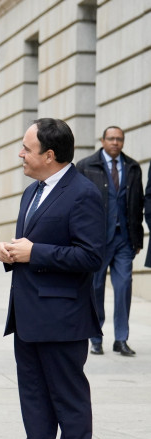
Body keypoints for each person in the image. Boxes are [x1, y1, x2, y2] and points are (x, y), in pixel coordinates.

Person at [0, 118, 104, 439]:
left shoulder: (83, 193)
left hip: (63, 319)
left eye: (26, 147)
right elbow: (32, 245)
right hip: (28, 317)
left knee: (69, 403)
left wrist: (34, 252)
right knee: (34, 401)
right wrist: (11, 253)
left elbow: (91, 255)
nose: (19, 154)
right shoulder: (31, 193)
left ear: (49, 155)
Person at [77, 126, 144, 356]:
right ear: (102, 141)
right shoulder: (86, 166)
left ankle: (121, 339)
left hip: (125, 239)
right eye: (111, 139)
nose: (115, 142)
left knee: (124, 286)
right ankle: (95, 338)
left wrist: (137, 238)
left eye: (119, 139)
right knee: (95, 287)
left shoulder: (133, 167)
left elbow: (138, 203)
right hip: (96, 240)